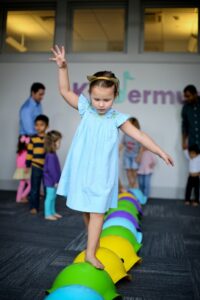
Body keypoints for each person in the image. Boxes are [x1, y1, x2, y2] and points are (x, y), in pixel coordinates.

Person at [50, 45, 174, 269]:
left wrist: (160, 151)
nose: (100, 104)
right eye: (96, 98)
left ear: (115, 96)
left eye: (106, 100)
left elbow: (140, 135)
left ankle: (90, 252)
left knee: (98, 211)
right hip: (82, 169)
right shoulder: (86, 109)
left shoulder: (118, 118)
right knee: (87, 210)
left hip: (102, 173)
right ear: (90, 95)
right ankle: (93, 247)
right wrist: (63, 67)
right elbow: (64, 90)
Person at [26, 114, 49, 214]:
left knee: (47, 188)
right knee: (35, 188)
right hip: (35, 166)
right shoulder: (33, 139)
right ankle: (33, 207)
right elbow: (29, 153)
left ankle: (47, 208)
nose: (38, 127)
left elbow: (51, 152)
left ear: (47, 126)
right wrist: (27, 165)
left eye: (41, 125)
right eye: (37, 125)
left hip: (46, 167)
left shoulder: (48, 138)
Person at [43, 130, 62, 221]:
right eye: (58, 142)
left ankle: (52, 212)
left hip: (53, 181)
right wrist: (56, 181)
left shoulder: (53, 154)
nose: (60, 144)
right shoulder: (50, 155)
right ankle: (47, 214)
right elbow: (51, 170)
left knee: (53, 197)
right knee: (50, 197)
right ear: (53, 143)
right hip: (51, 181)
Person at [119, 117, 141, 188]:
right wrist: (117, 151)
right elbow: (122, 144)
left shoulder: (139, 134)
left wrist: (139, 156)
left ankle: (133, 185)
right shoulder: (126, 134)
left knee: (134, 171)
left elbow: (142, 147)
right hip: (127, 155)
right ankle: (131, 185)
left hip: (135, 155)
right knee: (128, 170)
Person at [13, 135, 31, 203]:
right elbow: (27, 162)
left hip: (19, 170)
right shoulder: (27, 152)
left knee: (21, 185)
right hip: (25, 170)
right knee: (31, 185)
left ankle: (18, 199)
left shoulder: (19, 152)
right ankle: (22, 196)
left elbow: (17, 161)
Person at [181, 85, 200, 150]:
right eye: (185, 96)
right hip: (192, 142)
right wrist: (183, 141)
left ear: (195, 94)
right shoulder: (186, 108)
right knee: (193, 160)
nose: (186, 98)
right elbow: (184, 126)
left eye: (188, 96)